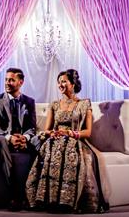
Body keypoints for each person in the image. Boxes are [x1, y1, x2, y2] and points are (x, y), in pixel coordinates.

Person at [26, 69, 109, 213]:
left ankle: (67, 201)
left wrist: (71, 133)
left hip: (74, 140)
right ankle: (51, 200)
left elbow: (87, 132)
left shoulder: (84, 104)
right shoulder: (54, 105)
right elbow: (47, 130)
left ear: (73, 84)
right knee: (53, 149)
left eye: (64, 81)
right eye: (59, 82)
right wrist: (53, 133)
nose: (60, 85)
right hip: (55, 140)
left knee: (70, 151)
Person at [0, 67, 37, 211]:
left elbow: (31, 127)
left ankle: (37, 193)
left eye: (11, 80)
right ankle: (16, 195)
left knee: (39, 141)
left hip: (21, 141)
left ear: (20, 82)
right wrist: (9, 138)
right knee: (0, 140)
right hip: (0, 140)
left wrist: (25, 138)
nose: (7, 83)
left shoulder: (29, 101)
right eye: (6, 80)